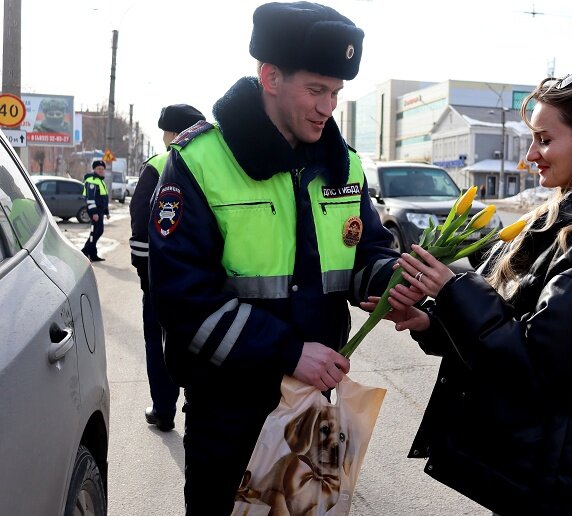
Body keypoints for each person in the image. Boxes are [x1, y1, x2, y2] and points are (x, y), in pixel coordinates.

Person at [376, 71, 572, 514]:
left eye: (545, 140)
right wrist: (433, 322)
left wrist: (453, 290)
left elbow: (534, 362)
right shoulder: (568, 219)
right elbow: (515, 319)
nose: (530, 155)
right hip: (543, 470)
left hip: (567, 486)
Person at [147, 3, 397, 513]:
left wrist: (392, 280)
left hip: (313, 406)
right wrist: (288, 351)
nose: (327, 107)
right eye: (316, 90)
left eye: (336, 93)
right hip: (228, 414)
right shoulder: (198, 162)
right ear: (270, 77)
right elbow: (181, 299)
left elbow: (364, 252)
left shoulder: (344, 164)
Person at [130, 104, 206, 432]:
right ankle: (197, 404)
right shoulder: (217, 164)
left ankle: (163, 409)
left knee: (158, 342)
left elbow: (140, 224)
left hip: (162, 279)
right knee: (203, 341)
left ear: (173, 134)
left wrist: (147, 279)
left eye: (165, 132)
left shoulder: (160, 164)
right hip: (206, 279)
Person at [81, 160, 110, 262]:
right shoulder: (92, 181)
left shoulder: (100, 181)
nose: (101, 170)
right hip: (95, 211)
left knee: (97, 231)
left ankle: (92, 254)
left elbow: (103, 198)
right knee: (96, 231)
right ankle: (85, 251)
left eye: (102, 169)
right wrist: (94, 213)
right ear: (94, 169)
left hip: (99, 211)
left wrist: (106, 212)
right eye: (99, 169)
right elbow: (90, 199)